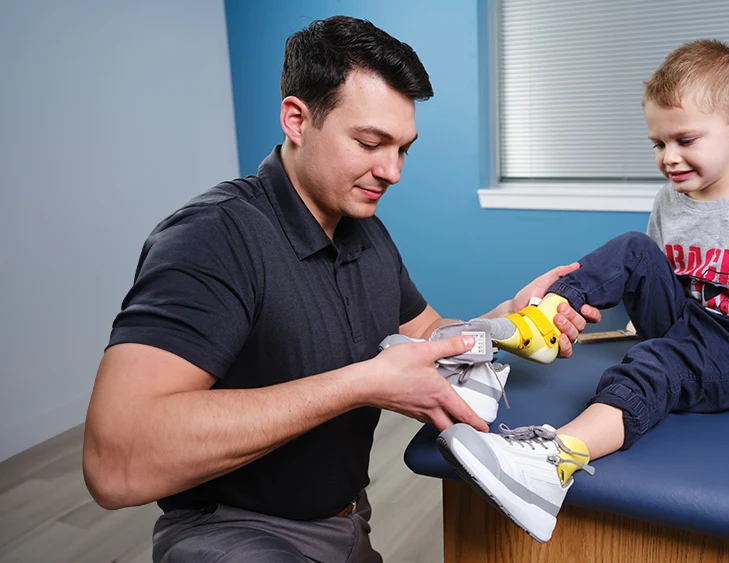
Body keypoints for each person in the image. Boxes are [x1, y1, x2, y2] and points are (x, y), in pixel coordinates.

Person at [81, 15, 599, 563]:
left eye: (403, 148)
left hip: (348, 520)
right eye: (371, 142)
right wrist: (359, 385)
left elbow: (423, 331)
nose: (393, 171)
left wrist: (504, 320)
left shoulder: (363, 228)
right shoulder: (211, 238)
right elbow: (115, 461)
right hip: (234, 534)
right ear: (297, 120)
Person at [437, 39, 729, 544]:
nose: (669, 158)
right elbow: (652, 273)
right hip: (685, 320)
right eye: (659, 144)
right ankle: (538, 322)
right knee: (635, 247)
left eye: (685, 140)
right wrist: (599, 298)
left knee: (660, 364)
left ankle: (553, 462)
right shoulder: (671, 198)